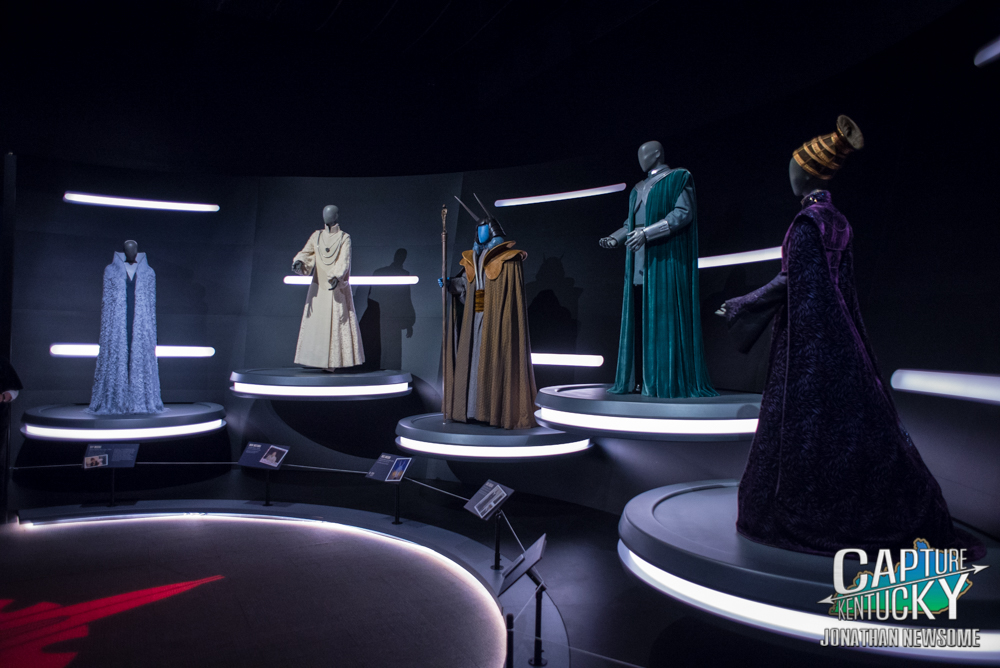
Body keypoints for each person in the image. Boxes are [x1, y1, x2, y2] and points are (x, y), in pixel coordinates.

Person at [720, 116, 983, 558]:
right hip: (842, 337)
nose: (790, 174)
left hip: (810, 343)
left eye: (794, 168)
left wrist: (742, 303)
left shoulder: (807, 223)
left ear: (807, 173)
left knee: (804, 429)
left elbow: (793, 281)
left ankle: (804, 511)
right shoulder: (837, 220)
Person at [600, 141, 716, 398]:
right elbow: (630, 222)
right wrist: (615, 238)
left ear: (657, 154)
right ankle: (640, 379)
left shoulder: (677, 178)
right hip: (638, 261)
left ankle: (663, 380)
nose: (640, 159)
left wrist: (647, 233)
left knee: (663, 321)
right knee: (639, 320)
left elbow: (683, 213)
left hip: (664, 262)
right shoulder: (637, 188)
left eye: (644, 154)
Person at [441, 195, 537, 429]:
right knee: (472, 360)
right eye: (478, 229)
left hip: (496, 318)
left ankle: (493, 411)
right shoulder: (472, 258)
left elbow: (509, 294)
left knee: (492, 359)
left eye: (483, 228)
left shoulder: (508, 258)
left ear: (492, 230)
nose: (480, 232)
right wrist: (450, 284)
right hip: (474, 316)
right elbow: (467, 286)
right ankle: (472, 409)